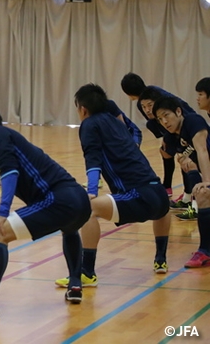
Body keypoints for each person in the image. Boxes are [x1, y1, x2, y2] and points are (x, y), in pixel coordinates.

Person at [0, 103, 91, 318]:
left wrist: (3, 213)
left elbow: (11, 171)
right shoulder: (1, 142)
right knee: (69, 228)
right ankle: (75, 284)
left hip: (60, 199)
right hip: (78, 200)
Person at [56, 84, 171, 289]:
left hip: (138, 196)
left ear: (82, 109)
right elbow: (135, 133)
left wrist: (91, 192)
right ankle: (161, 258)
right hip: (159, 194)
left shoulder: (89, 124)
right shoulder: (115, 121)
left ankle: (87, 273)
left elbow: (93, 162)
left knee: (87, 210)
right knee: (160, 206)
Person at [153, 96, 210, 268]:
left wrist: (207, 181)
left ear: (178, 111)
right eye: (160, 119)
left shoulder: (193, 121)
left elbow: (202, 150)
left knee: (204, 192)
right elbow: (174, 157)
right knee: (202, 196)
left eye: (166, 115)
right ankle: (205, 250)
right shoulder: (171, 137)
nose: (164, 121)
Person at [121, 72, 195, 198]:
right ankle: (168, 186)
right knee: (165, 152)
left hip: (185, 126)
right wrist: (165, 138)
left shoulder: (155, 96)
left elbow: (175, 114)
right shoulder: (145, 101)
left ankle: (189, 195)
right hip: (173, 129)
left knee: (185, 158)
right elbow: (157, 121)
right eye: (145, 107)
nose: (147, 109)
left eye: (150, 106)